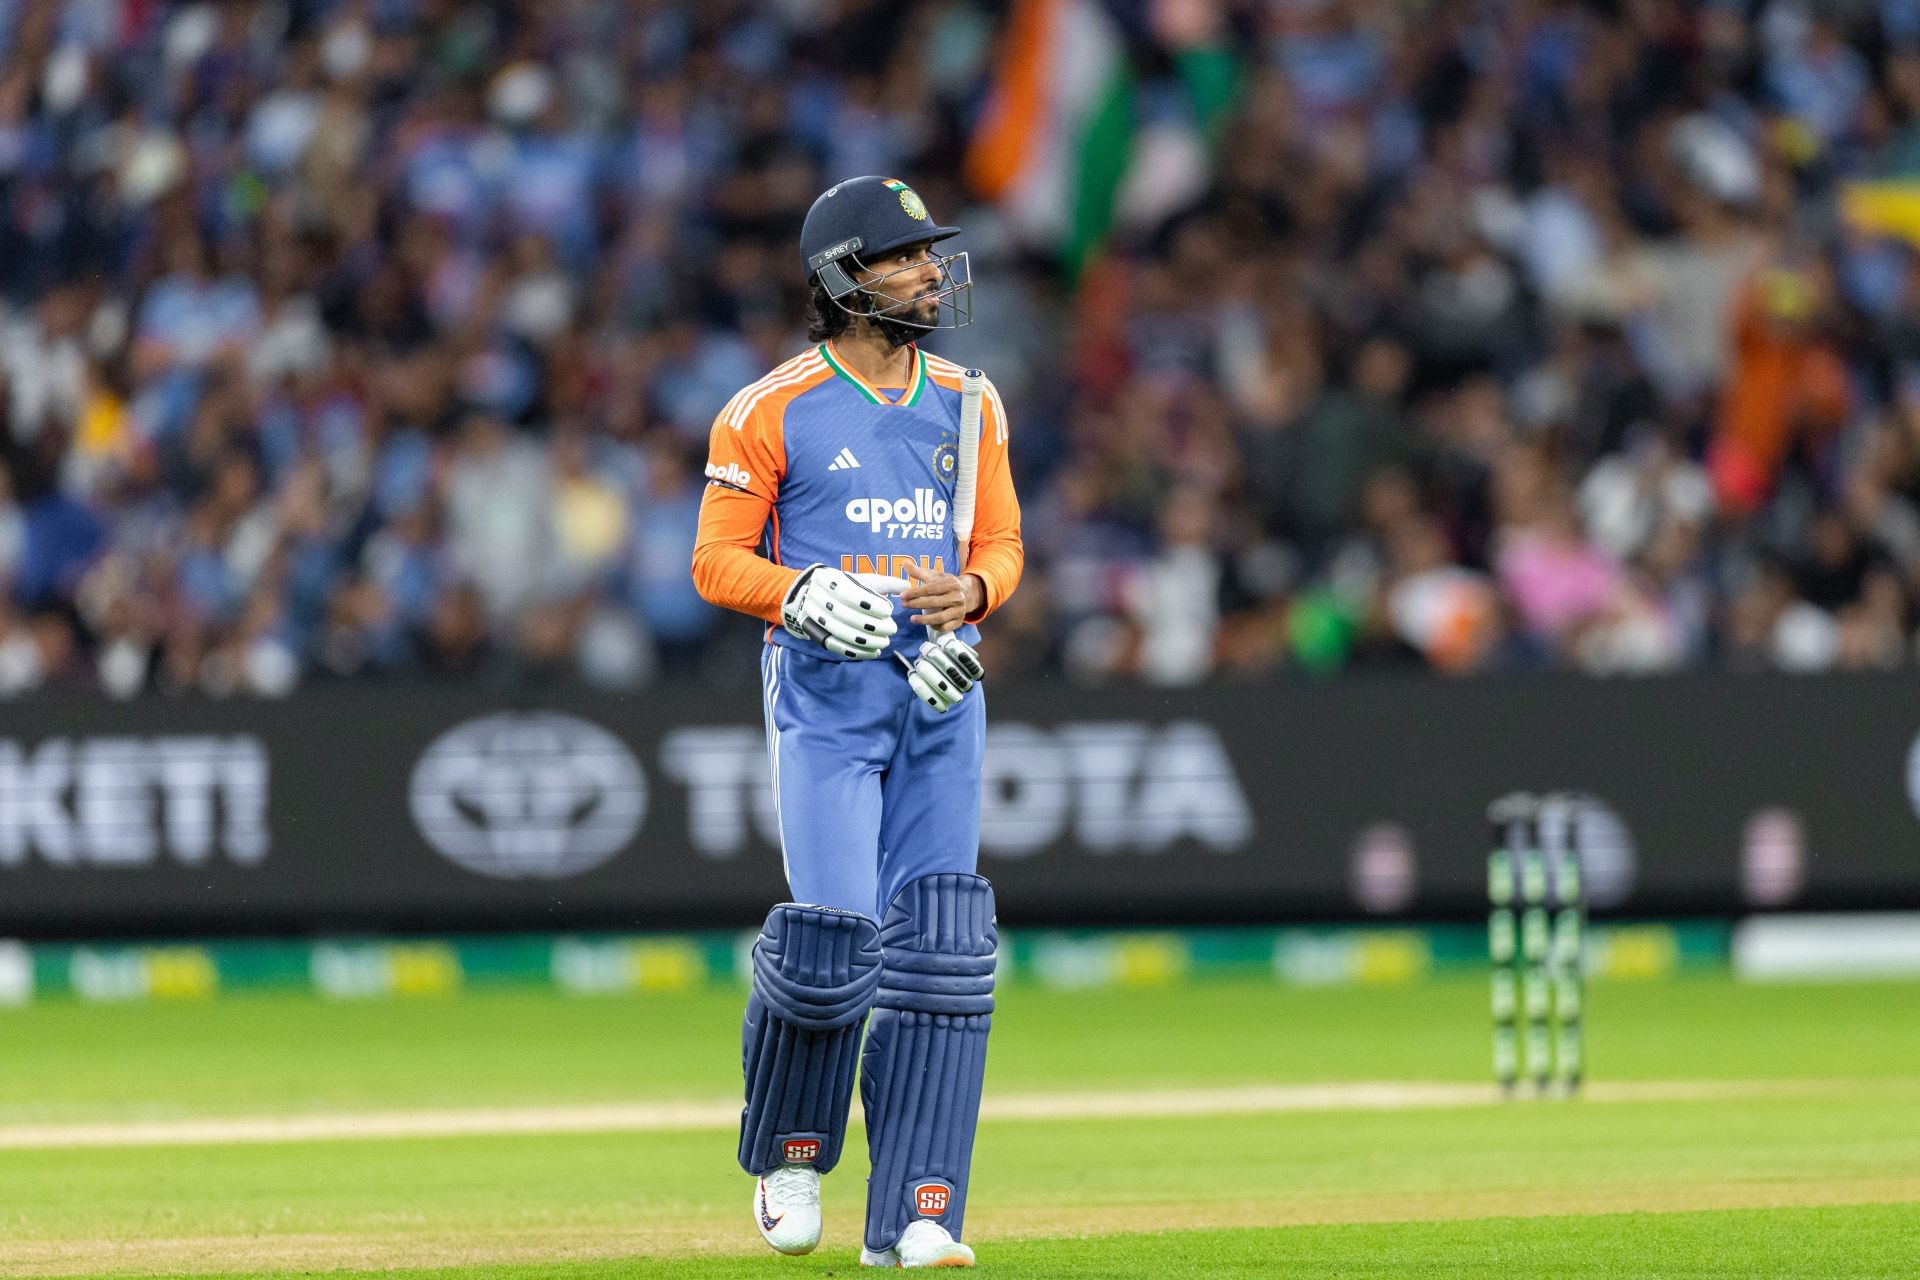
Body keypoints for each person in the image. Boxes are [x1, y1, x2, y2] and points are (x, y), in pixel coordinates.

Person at [690, 175, 1023, 1269]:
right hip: (828, 700)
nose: (932, 271)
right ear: (844, 277)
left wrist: (972, 603)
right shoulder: (770, 405)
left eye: (933, 253)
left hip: (938, 697)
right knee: (832, 945)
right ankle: (792, 1156)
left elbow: (1002, 549)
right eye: (907, 255)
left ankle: (921, 1208)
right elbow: (713, 559)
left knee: (940, 952)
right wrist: (791, 591)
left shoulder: (971, 400)